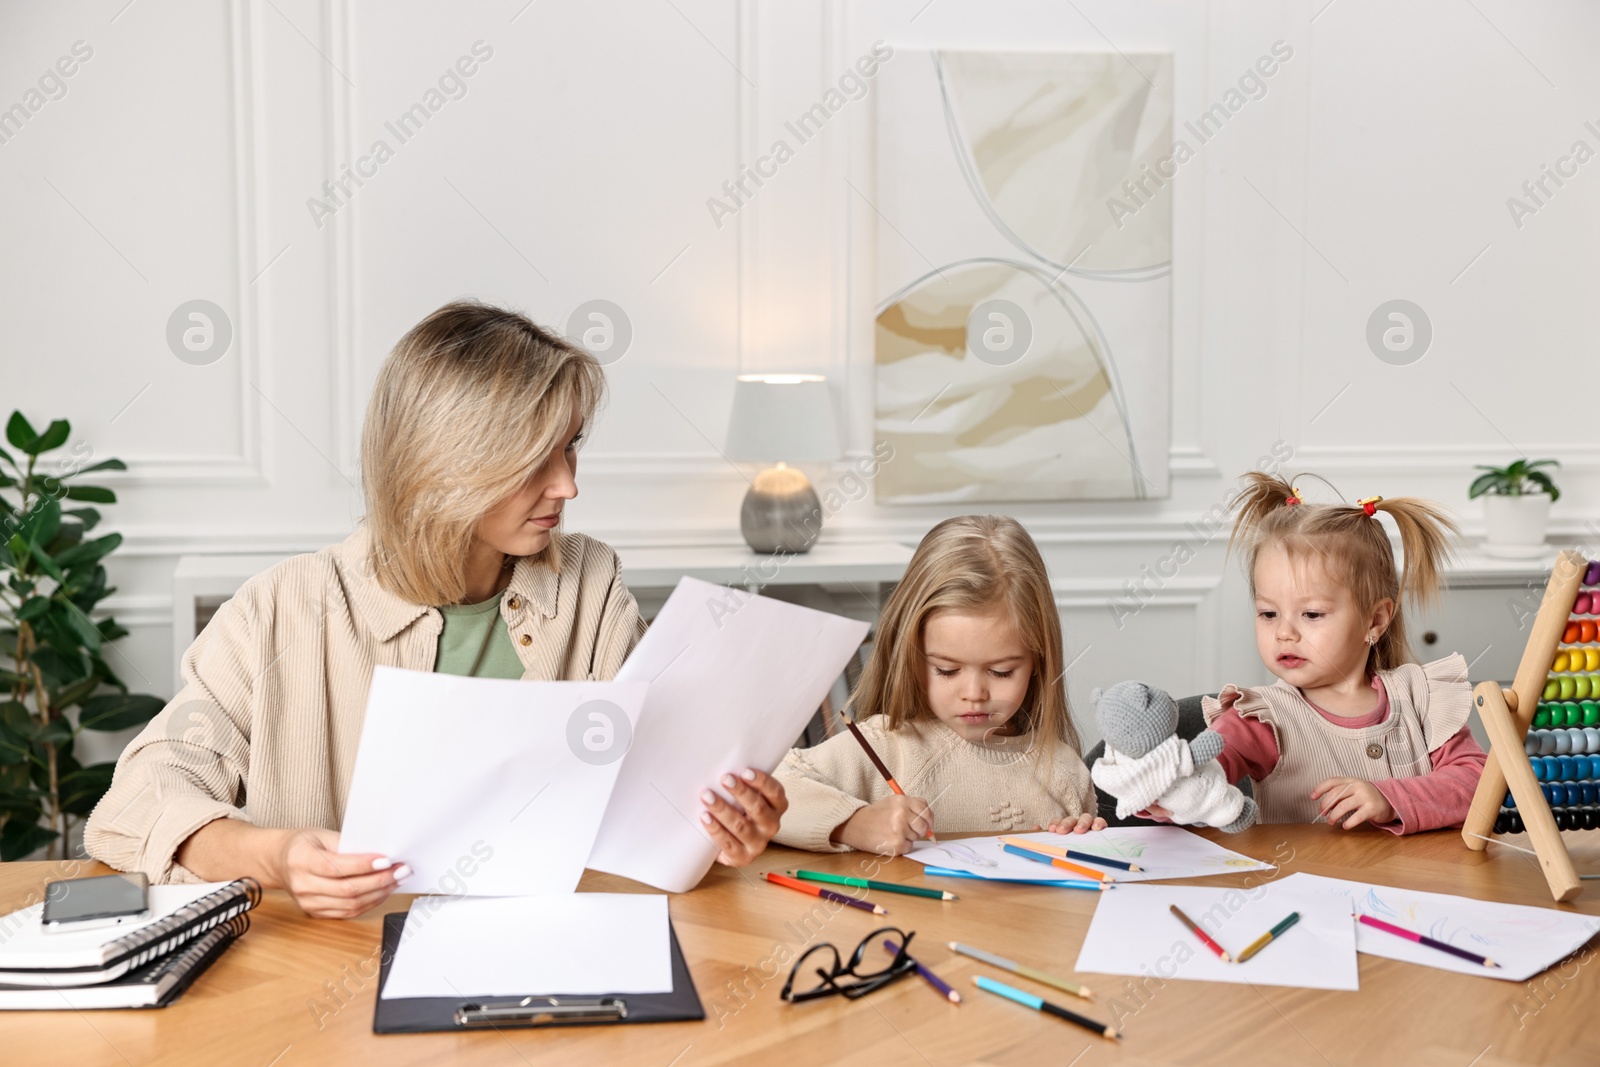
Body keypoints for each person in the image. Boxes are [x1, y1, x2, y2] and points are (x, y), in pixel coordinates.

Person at [84, 301, 787, 917]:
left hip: (551, 945)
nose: (568, 484)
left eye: (570, 447)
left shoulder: (589, 584)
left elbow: (654, 790)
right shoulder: (280, 610)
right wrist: (277, 857)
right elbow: (139, 800)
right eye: (536, 458)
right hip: (327, 976)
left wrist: (725, 825)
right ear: (445, 462)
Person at [772, 515, 1104, 855]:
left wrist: (1086, 840)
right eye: (947, 670)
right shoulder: (886, 747)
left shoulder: (1064, 771)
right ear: (911, 655)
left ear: (1038, 662)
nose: (974, 694)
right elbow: (772, 787)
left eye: (1002, 671)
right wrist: (854, 824)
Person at [1181, 472, 1486, 832]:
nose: (1283, 632)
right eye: (1268, 613)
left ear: (1375, 620)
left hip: (1419, 886)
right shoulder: (1262, 718)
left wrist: (1390, 799)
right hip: (1303, 886)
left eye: (1311, 614)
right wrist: (1172, 792)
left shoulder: (1421, 698)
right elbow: (1205, 771)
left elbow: (1479, 781)